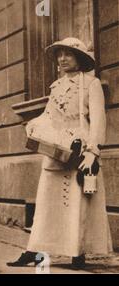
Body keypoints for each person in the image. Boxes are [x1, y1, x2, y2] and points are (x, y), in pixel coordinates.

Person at [7, 38, 112, 270]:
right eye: (60, 54)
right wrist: (33, 124)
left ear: (80, 58)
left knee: (78, 203)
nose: (63, 59)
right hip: (56, 148)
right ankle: (34, 251)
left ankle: (77, 253)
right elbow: (49, 116)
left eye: (69, 54)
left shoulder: (92, 84)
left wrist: (93, 152)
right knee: (47, 201)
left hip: (80, 149)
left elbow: (97, 122)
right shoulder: (56, 86)